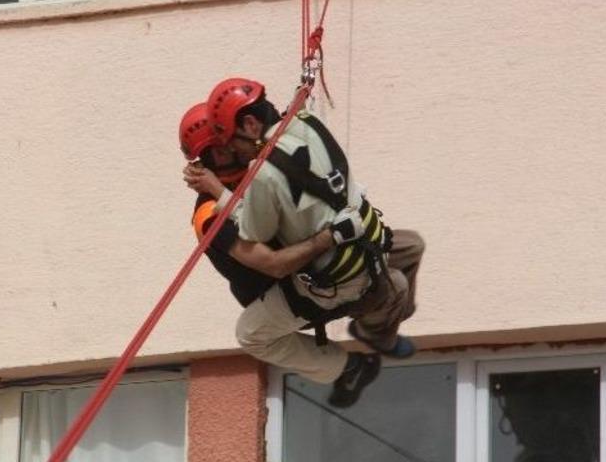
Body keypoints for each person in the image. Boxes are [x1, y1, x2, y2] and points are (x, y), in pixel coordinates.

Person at [205, 78, 426, 405]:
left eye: (229, 142)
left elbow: (259, 240)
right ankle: (381, 324)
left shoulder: (262, 173)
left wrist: (218, 192)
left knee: (250, 335)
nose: (233, 152)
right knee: (410, 249)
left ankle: (353, 357)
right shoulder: (307, 121)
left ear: (250, 124)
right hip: (366, 236)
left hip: (331, 280)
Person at [179, 102, 380, 407]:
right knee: (250, 334)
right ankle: (346, 367)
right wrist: (330, 237)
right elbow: (272, 265)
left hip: (323, 268)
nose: (234, 146)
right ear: (209, 160)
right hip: (288, 286)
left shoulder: (260, 171)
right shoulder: (210, 213)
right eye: (223, 146)